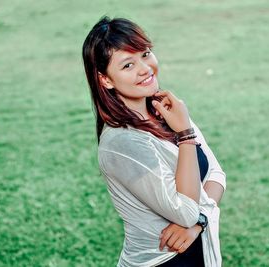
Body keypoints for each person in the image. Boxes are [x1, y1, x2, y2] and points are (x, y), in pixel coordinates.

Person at [82, 16, 226, 267]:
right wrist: (185, 136)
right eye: (128, 65)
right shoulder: (121, 142)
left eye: (145, 54)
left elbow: (216, 175)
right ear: (105, 79)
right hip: (161, 262)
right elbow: (184, 211)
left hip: (200, 253)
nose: (145, 68)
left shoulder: (169, 110)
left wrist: (198, 224)